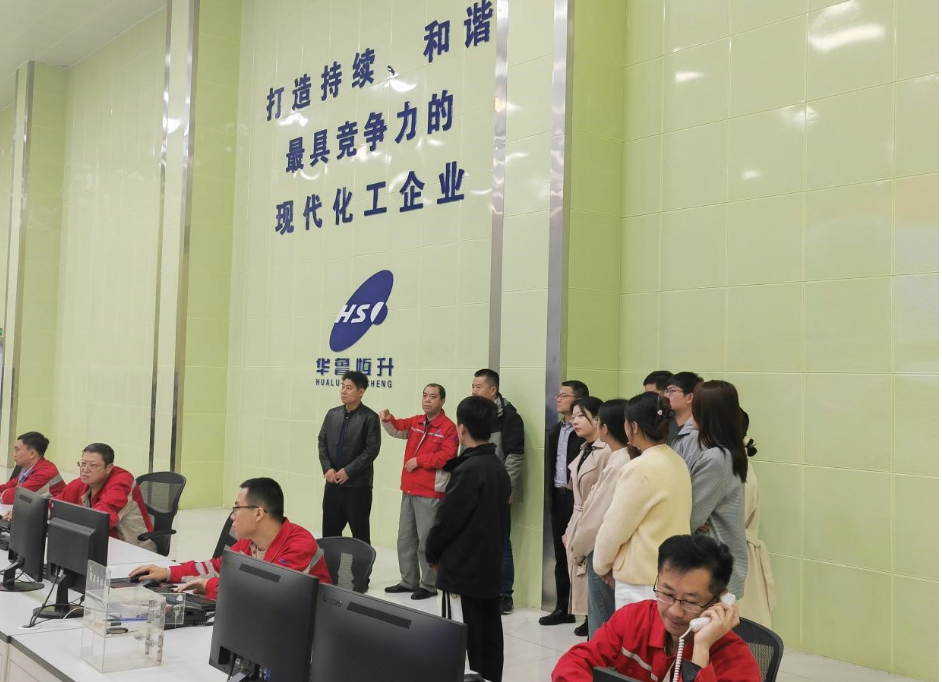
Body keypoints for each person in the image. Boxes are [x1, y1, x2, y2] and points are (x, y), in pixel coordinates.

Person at [552, 535, 761, 682]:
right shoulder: (635, 618)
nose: (675, 611)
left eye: (690, 601)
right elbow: (573, 663)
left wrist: (701, 650)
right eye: (667, 594)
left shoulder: (735, 659)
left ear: (720, 600)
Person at [426, 396, 512, 682]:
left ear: (461, 429)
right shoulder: (497, 466)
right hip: (488, 567)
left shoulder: (468, 469)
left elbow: (448, 521)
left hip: (462, 571)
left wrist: (432, 552)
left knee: (462, 640)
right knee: (488, 637)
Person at [130, 478, 331, 599]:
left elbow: (264, 593)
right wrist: (167, 573)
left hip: (306, 636)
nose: (232, 516)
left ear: (258, 513)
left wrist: (208, 586)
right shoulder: (250, 542)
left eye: (237, 508)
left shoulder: (299, 546)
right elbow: (218, 567)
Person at [593, 393, 692, 610]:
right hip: (672, 573)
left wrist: (601, 564)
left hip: (641, 581)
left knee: (635, 633)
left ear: (634, 427)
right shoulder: (677, 461)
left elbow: (615, 527)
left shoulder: (638, 468)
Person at [381, 383, 459, 600]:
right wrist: (387, 419)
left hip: (431, 492)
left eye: (433, 397)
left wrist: (420, 461)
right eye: (425, 396)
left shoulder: (448, 428)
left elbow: (447, 456)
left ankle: (429, 585)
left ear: (442, 401)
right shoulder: (416, 421)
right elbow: (398, 428)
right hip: (409, 489)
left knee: (427, 541)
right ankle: (408, 581)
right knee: (405, 539)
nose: (427, 400)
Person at [567, 398, 630, 638]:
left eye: (581, 416)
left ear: (604, 426)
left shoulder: (616, 459)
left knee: (602, 623)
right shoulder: (596, 451)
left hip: (597, 544)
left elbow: (598, 512)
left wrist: (579, 546)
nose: (575, 421)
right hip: (587, 533)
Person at [687, 381, 749, 599]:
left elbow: (691, 517)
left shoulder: (716, 458)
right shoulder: (729, 451)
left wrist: (694, 523)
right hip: (721, 562)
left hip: (712, 565)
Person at [470, 368, 524, 615]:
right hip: (473, 488)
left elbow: (515, 456)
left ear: (493, 390)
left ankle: (504, 595)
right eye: (472, 386)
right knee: (475, 540)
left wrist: (507, 487)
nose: (474, 391)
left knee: (501, 543)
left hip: (496, 489)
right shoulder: (473, 413)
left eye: (478, 387)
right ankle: (480, 588)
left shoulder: (509, 417)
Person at [556, 397, 610, 636]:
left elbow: (601, 500)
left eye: (581, 416)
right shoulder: (584, 448)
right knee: (585, 593)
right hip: (579, 521)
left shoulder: (607, 452)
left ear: (597, 420)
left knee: (597, 598)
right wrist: (571, 529)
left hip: (596, 527)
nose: (574, 421)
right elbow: (577, 497)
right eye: (574, 416)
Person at [543, 379, 589, 625]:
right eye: (558, 395)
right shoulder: (555, 430)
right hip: (558, 496)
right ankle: (564, 608)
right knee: (561, 557)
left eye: (564, 396)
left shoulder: (585, 433)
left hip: (579, 499)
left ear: (579, 401)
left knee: (582, 557)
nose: (558, 399)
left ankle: (589, 616)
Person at [318, 370, 382, 544]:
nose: (343, 391)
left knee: (360, 536)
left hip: (357, 487)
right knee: (330, 534)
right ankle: (331, 563)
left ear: (361, 392)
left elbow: (371, 449)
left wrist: (348, 471)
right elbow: (322, 442)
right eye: (342, 387)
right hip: (332, 484)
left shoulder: (370, 417)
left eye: (349, 388)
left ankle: (358, 564)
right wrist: (327, 468)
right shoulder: (332, 414)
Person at [55, 443, 156, 551]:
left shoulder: (121, 483)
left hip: (135, 550)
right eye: (83, 463)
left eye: (93, 465)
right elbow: (53, 505)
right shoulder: (84, 482)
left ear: (109, 468)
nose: (85, 469)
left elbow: (101, 517)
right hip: (105, 544)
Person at [737, 411, 776, 628]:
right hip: (739, 552)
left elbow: (736, 515)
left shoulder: (737, 468)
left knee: (742, 627)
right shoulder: (738, 462)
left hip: (738, 553)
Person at [0, 432, 65, 505]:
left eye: (17, 450)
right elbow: (9, 485)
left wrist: (4, 494)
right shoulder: (27, 468)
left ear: (32, 454)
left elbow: (12, 497)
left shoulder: (45, 472)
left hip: (54, 511)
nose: (13, 454)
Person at [666, 371, 703, 458]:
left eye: (671, 391)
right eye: (666, 391)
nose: (666, 396)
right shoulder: (665, 423)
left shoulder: (696, 430)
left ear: (689, 397)